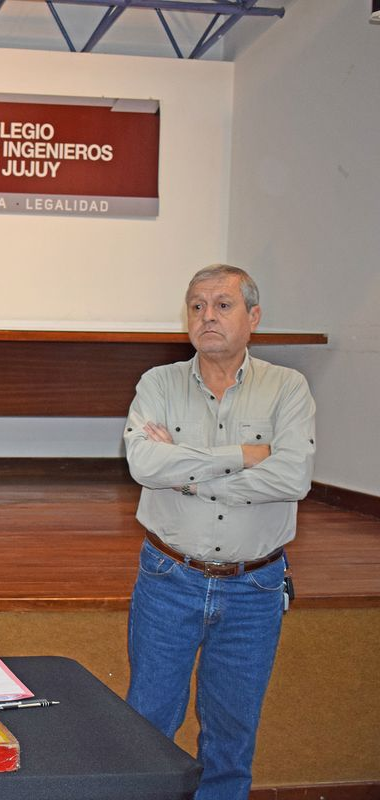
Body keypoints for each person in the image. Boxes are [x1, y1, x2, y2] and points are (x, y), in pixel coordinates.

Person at [123, 264, 316, 799]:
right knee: (147, 726)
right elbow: (144, 464)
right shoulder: (158, 383)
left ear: (253, 317)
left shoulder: (288, 388)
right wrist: (245, 456)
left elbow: (292, 477)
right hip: (169, 577)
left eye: (223, 305)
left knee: (232, 738)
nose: (207, 316)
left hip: (254, 587)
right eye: (197, 306)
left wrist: (187, 472)